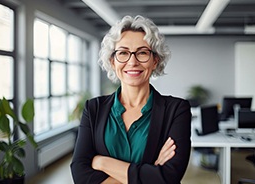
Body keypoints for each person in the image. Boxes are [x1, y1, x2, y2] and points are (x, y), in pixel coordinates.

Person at [71, 15, 192, 184]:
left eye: (142, 53)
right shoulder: (93, 108)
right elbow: (80, 175)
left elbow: (169, 177)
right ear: (113, 61)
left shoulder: (177, 110)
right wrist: (150, 173)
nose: (132, 61)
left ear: (155, 60)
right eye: (123, 53)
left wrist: (102, 162)